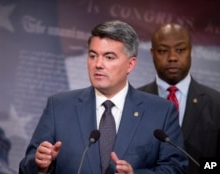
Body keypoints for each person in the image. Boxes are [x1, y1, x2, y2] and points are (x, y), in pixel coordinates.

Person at [19, 20, 188, 174]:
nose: (98, 64)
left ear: (130, 64)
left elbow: (177, 169)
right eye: (93, 56)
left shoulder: (161, 112)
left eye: (109, 57)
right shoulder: (59, 106)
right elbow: (26, 167)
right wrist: (41, 165)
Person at [138, 23, 220, 173]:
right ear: (152, 53)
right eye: (163, 51)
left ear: (190, 51)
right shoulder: (132, 103)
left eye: (180, 50)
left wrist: (205, 167)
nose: (172, 57)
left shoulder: (216, 104)